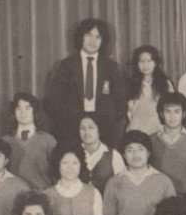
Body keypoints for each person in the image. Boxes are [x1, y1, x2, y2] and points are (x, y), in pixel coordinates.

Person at [45, 17, 127, 147]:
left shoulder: (111, 67)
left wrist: (107, 120)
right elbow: (55, 101)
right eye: (89, 35)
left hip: (104, 131)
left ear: (103, 41)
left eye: (98, 37)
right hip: (71, 129)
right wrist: (73, 120)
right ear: (81, 37)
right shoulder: (66, 65)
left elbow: (120, 102)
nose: (93, 41)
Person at [101, 130, 177, 215]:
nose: (135, 154)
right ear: (124, 155)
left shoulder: (164, 181)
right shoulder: (113, 183)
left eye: (140, 149)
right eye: (130, 150)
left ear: (148, 153)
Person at [149, 92, 186, 201]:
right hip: (156, 198)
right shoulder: (150, 141)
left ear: (184, 114)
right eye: (168, 111)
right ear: (161, 114)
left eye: (177, 111)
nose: (172, 116)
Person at [43, 142, 103, 215]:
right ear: (58, 165)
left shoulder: (93, 193)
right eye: (65, 163)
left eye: (75, 163)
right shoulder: (46, 196)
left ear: (81, 165)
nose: (70, 167)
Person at [1, 92, 57, 190]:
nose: (23, 113)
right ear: (14, 112)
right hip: (13, 196)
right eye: (19, 109)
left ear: (34, 112)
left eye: (27, 108)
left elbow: (56, 174)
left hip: (42, 195)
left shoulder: (48, 140)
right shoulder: (5, 141)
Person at [125, 44, 175, 136]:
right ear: (137, 64)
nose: (145, 65)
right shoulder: (130, 85)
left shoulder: (165, 84)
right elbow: (129, 111)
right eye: (142, 61)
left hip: (159, 129)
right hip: (137, 128)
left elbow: (171, 108)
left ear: (155, 63)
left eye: (149, 61)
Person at [78, 115, 126, 194]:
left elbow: (122, 187)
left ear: (99, 130)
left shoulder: (113, 155)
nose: (86, 132)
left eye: (91, 127)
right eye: (82, 128)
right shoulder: (73, 154)